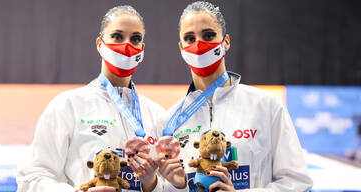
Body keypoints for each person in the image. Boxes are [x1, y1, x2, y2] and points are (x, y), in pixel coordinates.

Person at [16, 5, 183, 192]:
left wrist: (150, 183)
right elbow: (31, 179)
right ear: (100, 44)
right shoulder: (68, 106)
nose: (127, 46)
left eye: (135, 39)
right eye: (117, 36)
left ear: (142, 49)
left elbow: (169, 186)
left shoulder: (156, 115)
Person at [157, 1, 313, 191]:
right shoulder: (169, 122)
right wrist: (176, 186)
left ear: (226, 42)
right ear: (181, 48)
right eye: (190, 38)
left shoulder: (266, 105)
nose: (199, 44)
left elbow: (298, 183)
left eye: (208, 35)